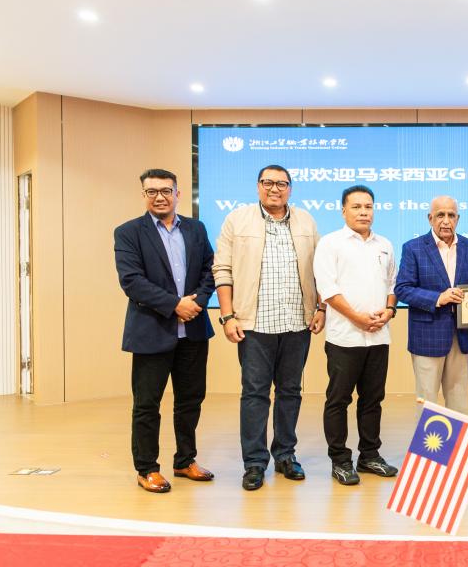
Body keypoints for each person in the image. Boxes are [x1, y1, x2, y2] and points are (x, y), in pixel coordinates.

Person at [213, 164, 325, 491]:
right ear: (258, 186)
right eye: (268, 182)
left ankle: (286, 455)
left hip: (297, 322)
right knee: (255, 394)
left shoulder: (306, 221)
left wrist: (321, 308)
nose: (274, 189)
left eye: (281, 184)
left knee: (290, 392)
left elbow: (320, 270)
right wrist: (227, 316)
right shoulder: (237, 219)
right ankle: (254, 462)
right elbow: (222, 269)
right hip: (254, 325)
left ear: (290, 188)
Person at [114, 168, 216, 493]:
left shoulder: (196, 228)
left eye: (165, 191)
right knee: (147, 404)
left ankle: (185, 460)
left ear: (177, 194)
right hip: (152, 331)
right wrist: (175, 305)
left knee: (190, 400)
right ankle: (147, 468)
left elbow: (210, 270)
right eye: (152, 191)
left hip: (193, 331)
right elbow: (132, 281)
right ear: (143, 195)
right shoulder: (128, 232)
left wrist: (197, 302)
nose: (159, 197)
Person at [314, 185, 400, 486]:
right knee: (338, 400)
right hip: (345, 338)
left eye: (368, 206)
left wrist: (389, 311)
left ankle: (369, 456)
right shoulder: (330, 244)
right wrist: (357, 318)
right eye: (357, 207)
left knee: (373, 400)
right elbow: (328, 290)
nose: (364, 212)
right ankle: (340, 460)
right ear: (343, 211)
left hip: (379, 337)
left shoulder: (385, 244)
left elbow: (392, 285)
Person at [394, 196, 468, 412]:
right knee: (427, 405)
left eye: (451, 215)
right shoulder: (413, 248)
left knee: (459, 403)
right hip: (427, 336)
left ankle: (457, 437)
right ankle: (429, 438)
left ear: (458, 218)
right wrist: (438, 298)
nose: (446, 221)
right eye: (440, 215)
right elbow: (402, 289)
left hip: (462, 336)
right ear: (430, 218)